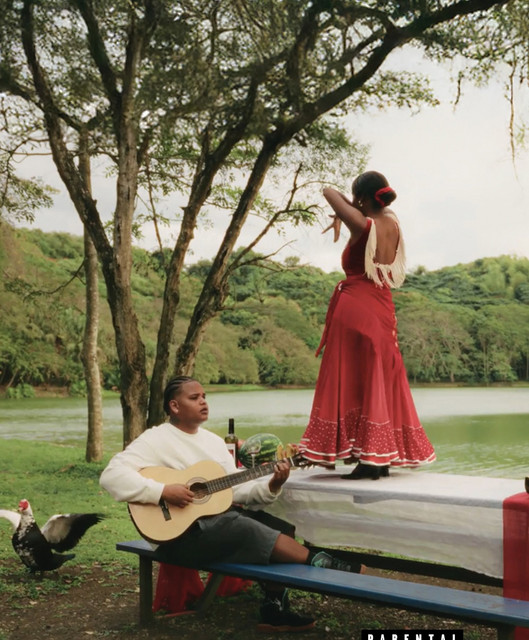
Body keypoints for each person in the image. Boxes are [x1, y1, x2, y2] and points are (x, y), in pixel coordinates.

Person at [100, 376, 365, 632]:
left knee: (280, 527)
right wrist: (162, 491)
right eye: (195, 397)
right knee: (240, 526)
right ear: (175, 406)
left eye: (204, 396)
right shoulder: (156, 439)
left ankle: (274, 609)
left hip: (214, 528)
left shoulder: (214, 442)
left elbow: (236, 490)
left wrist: (272, 484)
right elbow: (111, 476)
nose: (203, 401)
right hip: (178, 538)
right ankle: (327, 564)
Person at [299, 171, 436, 479]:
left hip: (356, 309)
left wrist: (345, 208)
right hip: (383, 309)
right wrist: (354, 207)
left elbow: (328, 191)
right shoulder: (392, 221)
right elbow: (364, 210)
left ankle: (369, 460)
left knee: (354, 377)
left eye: (356, 198)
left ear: (360, 199)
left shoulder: (362, 225)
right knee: (378, 377)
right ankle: (377, 458)